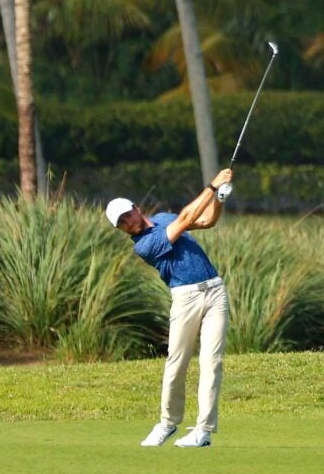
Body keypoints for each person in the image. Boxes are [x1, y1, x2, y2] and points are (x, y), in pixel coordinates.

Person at [105, 168, 234, 448]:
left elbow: (205, 221)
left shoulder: (164, 218)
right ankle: (167, 423)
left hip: (215, 291)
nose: (127, 223)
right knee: (177, 363)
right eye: (121, 224)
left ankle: (203, 431)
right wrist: (212, 186)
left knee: (212, 362)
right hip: (186, 298)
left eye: (128, 216)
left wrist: (220, 199)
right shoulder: (143, 245)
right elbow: (187, 217)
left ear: (136, 209)